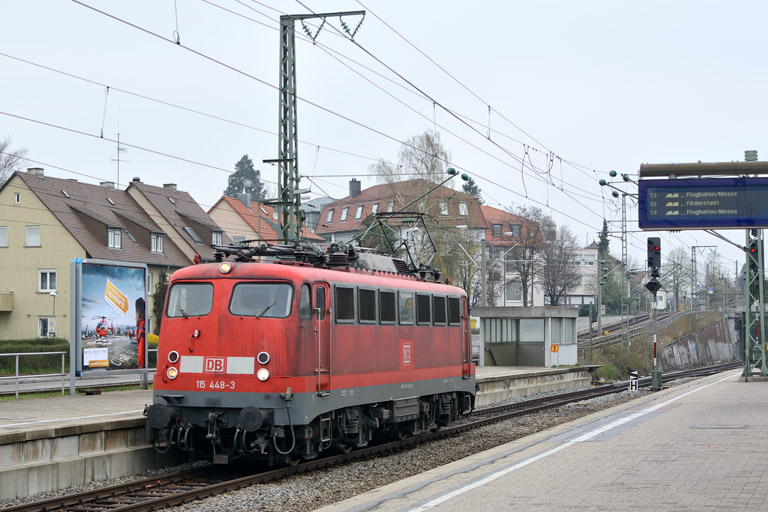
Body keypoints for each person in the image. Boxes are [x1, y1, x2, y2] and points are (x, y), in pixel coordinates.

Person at [135, 297, 146, 368]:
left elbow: (141, 347)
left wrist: (141, 365)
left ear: (138, 313)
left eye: (135, 313)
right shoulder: (142, 324)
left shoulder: (141, 327)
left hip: (142, 365)